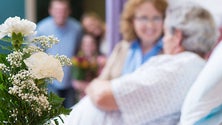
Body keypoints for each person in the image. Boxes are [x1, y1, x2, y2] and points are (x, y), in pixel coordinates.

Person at [65, 2, 218, 125]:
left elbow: (103, 95)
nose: (164, 39)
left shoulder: (178, 67)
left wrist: (95, 85)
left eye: (165, 31)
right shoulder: (185, 65)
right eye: (143, 18)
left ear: (177, 36)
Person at [99, 0, 168, 80]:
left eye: (156, 18)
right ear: (132, 21)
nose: (150, 25)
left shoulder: (169, 53)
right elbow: (100, 82)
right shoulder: (122, 48)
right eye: (144, 18)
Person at [36, 0, 82, 108]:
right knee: (53, 115)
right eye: (57, 10)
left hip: (70, 80)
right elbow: (37, 54)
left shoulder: (77, 28)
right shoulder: (41, 28)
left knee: (70, 113)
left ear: (69, 11)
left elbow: (79, 51)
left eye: (64, 10)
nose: (60, 14)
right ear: (50, 11)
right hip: (50, 81)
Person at [71, 34, 106, 99]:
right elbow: (75, 82)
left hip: (97, 95)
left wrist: (86, 86)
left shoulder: (101, 60)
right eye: (85, 44)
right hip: (82, 96)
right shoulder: (78, 61)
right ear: (82, 46)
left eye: (91, 44)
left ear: (95, 46)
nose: (88, 46)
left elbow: (103, 78)